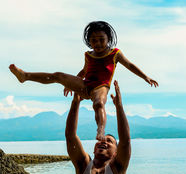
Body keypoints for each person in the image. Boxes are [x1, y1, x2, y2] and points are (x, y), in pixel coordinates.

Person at [9, 20, 158, 141]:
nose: (98, 43)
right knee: (58, 75)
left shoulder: (115, 53)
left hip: (101, 87)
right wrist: (70, 84)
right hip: (85, 85)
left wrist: (145, 76)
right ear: (88, 41)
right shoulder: (88, 55)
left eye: (101, 40)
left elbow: (130, 65)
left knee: (99, 103)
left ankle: (100, 129)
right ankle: (25, 76)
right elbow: (84, 71)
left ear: (108, 40)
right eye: (94, 40)